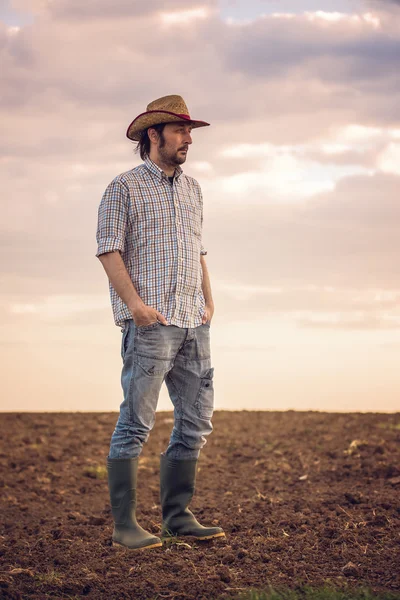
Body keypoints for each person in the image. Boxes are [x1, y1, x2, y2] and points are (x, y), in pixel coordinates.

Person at [95, 95, 225, 550]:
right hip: (151, 324)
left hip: (195, 322)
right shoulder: (124, 187)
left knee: (195, 421)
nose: (189, 139)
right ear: (155, 134)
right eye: (180, 131)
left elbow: (198, 249)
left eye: (190, 132)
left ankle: (177, 516)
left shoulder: (193, 189)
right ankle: (125, 526)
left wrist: (209, 302)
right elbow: (108, 249)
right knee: (136, 422)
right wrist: (135, 307)